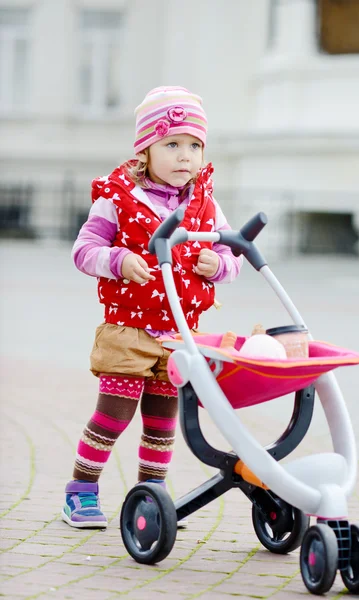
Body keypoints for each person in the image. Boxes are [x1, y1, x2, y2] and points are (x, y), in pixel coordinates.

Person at [61, 86, 242, 529]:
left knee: (162, 422)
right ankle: (80, 492)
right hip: (129, 331)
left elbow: (235, 257)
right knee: (113, 416)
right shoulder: (119, 197)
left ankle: (152, 496)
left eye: (195, 145)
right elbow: (84, 250)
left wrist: (217, 263)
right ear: (146, 149)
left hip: (180, 334)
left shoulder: (205, 203)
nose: (186, 156)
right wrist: (119, 261)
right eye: (173, 144)